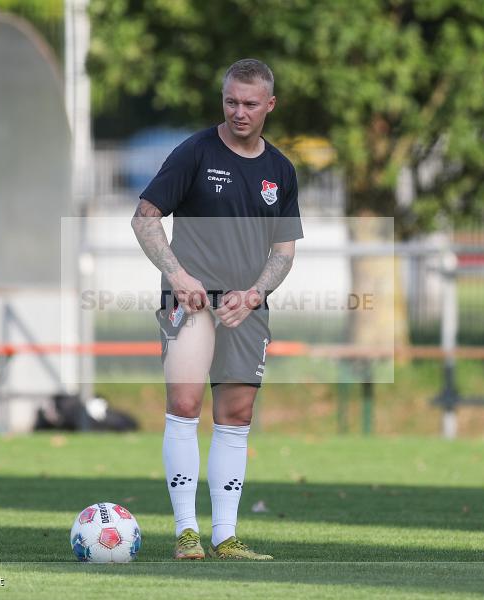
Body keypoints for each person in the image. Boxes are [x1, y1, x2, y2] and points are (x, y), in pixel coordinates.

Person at [131, 58, 303, 560]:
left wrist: (254, 294)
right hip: (190, 301)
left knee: (237, 414)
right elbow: (144, 220)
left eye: (250, 103)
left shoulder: (281, 171)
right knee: (185, 404)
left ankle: (225, 536)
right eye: (231, 101)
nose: (239, 112)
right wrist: (178, 277)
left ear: (270, 104)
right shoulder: (195, 152)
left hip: (246, 308)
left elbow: (284, 251)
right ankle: (187, 532)